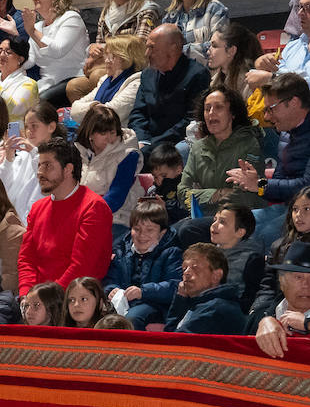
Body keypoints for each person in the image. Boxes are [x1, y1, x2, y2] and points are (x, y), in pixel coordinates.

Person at [17, 138, 114, 295]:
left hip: (74, 299)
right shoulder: (37, 208)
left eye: (47, 165)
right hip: (38, 299)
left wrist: (45, 301)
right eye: (39, 165)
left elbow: (82, 267)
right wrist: (26, 295)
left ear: (68, 169)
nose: (40, 172)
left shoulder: (94, 207)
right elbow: (26, 260)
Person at [225, 72, 310, 251]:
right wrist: (254, 183)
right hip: (288, 207)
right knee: (233, 226)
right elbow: (280, 183)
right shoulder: (285, 131)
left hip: (305, 210)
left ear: (294, 103)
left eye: (271, 109)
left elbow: (306, 186)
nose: (268, 117)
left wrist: (260, 184)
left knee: (262, 236)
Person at [177, 86, 265, 216]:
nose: (211, 113)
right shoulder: (198, 148)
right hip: (202, 215)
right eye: (207, 109)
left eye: (218, 107)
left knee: (187, 230)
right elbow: (182, 192)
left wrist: (202, 197)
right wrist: (218, 193)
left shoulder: (249, 144)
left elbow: (242, 196)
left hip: (239, 217)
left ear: (233, 113)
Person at [101, 199, 183, 329]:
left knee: (132, 318)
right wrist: (111, 289)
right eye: (136, 229)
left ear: (162, 233)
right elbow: (110, 278)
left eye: (149, 230)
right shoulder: (121, 250)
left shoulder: (171, 253)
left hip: (156, 305)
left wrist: (143, 292)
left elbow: (175, 286)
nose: (142, 235)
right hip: (123, 303)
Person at [128, 23, 210, 149]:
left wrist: (152, 145)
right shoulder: (147, 74)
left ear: (173, 49)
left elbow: (190, 120)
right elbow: (138, 113)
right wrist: (142, 139)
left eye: (152, 48)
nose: (147, 53)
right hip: (144, 142)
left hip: (175, 144)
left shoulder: (196, 75)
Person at [19, 0, 89, 105]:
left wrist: (32, 32)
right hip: (46, 83)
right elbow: (29, 60)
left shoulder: (71, 18)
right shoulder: (38, 26)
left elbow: (57, 50)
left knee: (37, 105)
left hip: (71, 81)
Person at [75, 104, 143, 235]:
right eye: (103, 133)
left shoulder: (128, 155)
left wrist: (85, 215)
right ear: (91, 134)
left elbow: (116, 197)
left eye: (112, 132)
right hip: (81, 216)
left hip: (117, 218)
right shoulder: (78, 152)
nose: (109, 138)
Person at [250, 186, 310, 321]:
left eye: (306, 209)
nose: (299, 215)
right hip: (279, 307)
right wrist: (260, 312)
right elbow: (268, 287)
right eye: (295, 209)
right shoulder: (279, 246)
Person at [164, 243, 247, 333]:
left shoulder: (216, 309)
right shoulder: (196, 304)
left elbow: (175, 341)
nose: (186, 273)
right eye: (184, 269)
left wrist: (180, 301)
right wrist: (180, 299)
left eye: (195, 268)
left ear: (216, 275)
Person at [162, 0, 229, 66]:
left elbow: (217, 48)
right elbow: (162, 54)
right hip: (178, 79)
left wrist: (178, 51)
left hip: (208, 78)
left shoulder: (214, 8)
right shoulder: (170, 18)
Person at [70, 34, 147, 125]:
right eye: (107, 55)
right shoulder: (106, 79)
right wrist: (94, 106)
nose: (107, 61)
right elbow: (74, 109)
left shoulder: (137, 81)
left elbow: (109, 115)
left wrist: (90, 107)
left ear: (128, 59)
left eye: (113, 56)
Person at [253, 241, 310, 357]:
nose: (306, 284)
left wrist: (307, 324)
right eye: (298, 277)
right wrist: (263, 320)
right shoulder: (259, 316)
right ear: (282, 281)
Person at [208, 203, 265, 311]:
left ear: (240, 232)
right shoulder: (207, 253)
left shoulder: (252, 260)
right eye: (215, 220)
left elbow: (250, 300)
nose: (214, 225)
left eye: (222, 222)